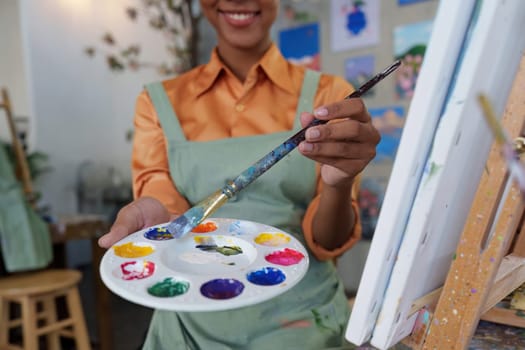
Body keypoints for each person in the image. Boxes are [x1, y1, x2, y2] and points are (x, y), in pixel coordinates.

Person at [98, 0, 380, 348]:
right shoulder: (157, 102)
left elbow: (330, 243)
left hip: (303, 324)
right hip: (186, 322)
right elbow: (162, 198)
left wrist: (339, 185)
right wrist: (159, 219)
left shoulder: (329, 96)